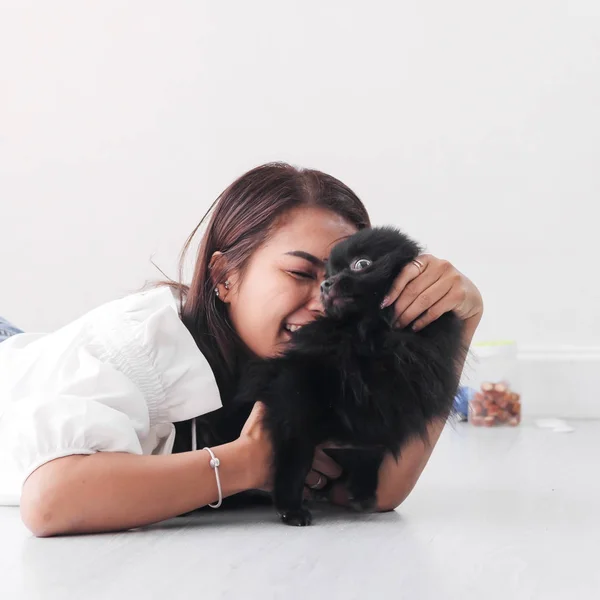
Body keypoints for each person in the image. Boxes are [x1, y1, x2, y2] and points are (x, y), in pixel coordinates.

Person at [0, 162, 483, 537]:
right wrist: (247, 462)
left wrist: (457, 323)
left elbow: (374, 492)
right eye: (299, 273)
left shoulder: (325, 359)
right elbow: (52, 501)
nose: (328, 301)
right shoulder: (138, 347)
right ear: (224, 277)